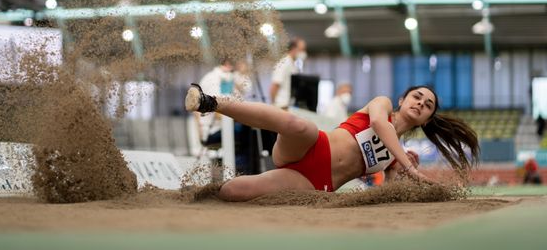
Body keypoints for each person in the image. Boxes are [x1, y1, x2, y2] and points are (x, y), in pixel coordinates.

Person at [185, 84, 479, 201]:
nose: (421, 103)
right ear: (403, 100)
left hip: (314, 182)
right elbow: (378, 124)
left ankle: (204, 195)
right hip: (311, 146)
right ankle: (210, 101)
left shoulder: (394, 157)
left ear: (427, 119)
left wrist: (401, 175)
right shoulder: (383, 105)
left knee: (235, 190)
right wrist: (407, 163)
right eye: (417, 97)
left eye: (428, 105)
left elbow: (384, 196)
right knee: (298, 125)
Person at [269, 38, 307, 110]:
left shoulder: (293, 65)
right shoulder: (284, 63)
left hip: (288, 106)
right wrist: (274, 106)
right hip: (281, 106)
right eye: (302, 49)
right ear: (294, 48)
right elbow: (274, 86)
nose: (304, 53)